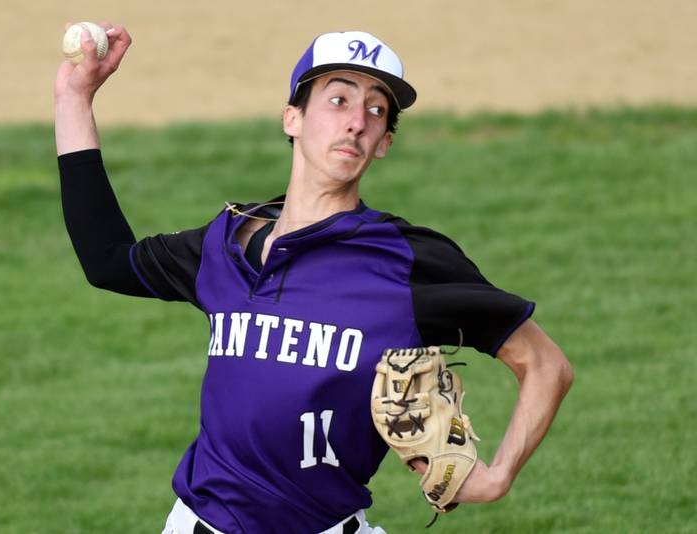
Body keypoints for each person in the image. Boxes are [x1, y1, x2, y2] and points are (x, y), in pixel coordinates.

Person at [55, 25, 573, 534]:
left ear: (384, 142)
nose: (357, 122)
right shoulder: (226, 244)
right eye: (338, 100)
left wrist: (499, 476)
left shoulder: (404, 259)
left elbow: (545, 364)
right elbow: (108, 261)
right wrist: (75, 99)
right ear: (292, 118)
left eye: (376, 110)